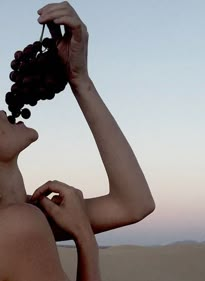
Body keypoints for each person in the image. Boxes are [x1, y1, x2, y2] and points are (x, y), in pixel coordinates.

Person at [0, 1, 155, 280]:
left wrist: (79, 78)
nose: (1, 111)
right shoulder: (18, 225)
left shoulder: (21, 215)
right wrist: (84, 236)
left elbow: (135, 203)